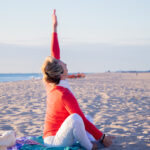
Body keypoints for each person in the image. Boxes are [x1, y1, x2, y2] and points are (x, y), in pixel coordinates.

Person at [42, 10, 114, 150]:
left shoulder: (51, 82)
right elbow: (78, 118)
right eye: (63, 64)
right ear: (61, 74)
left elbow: (54, 53)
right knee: (77, 118)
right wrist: (103, 137)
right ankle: (89, 146)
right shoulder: (64, 93)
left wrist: (54, 28)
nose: (66, 63)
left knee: (86, 118)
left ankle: (95, 139)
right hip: (54, 141)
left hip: (62, 132)